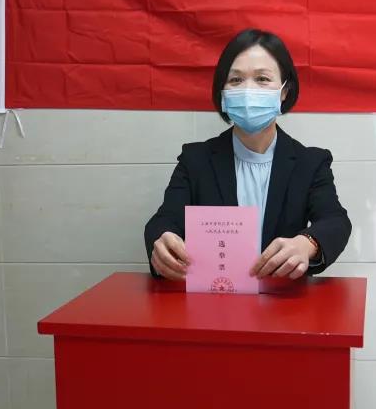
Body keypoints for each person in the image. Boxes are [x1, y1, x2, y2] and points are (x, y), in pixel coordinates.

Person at [144, 28, 352, 281]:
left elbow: (335, 220)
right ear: (222, 92)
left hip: (283, 298)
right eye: (235, 80)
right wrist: (162, 242)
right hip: (215, 297)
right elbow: (164, 220)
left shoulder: (310, 163)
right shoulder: (195, 159)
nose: (247, 90)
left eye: (262, 79)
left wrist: (307, 243)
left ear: (284, 91)